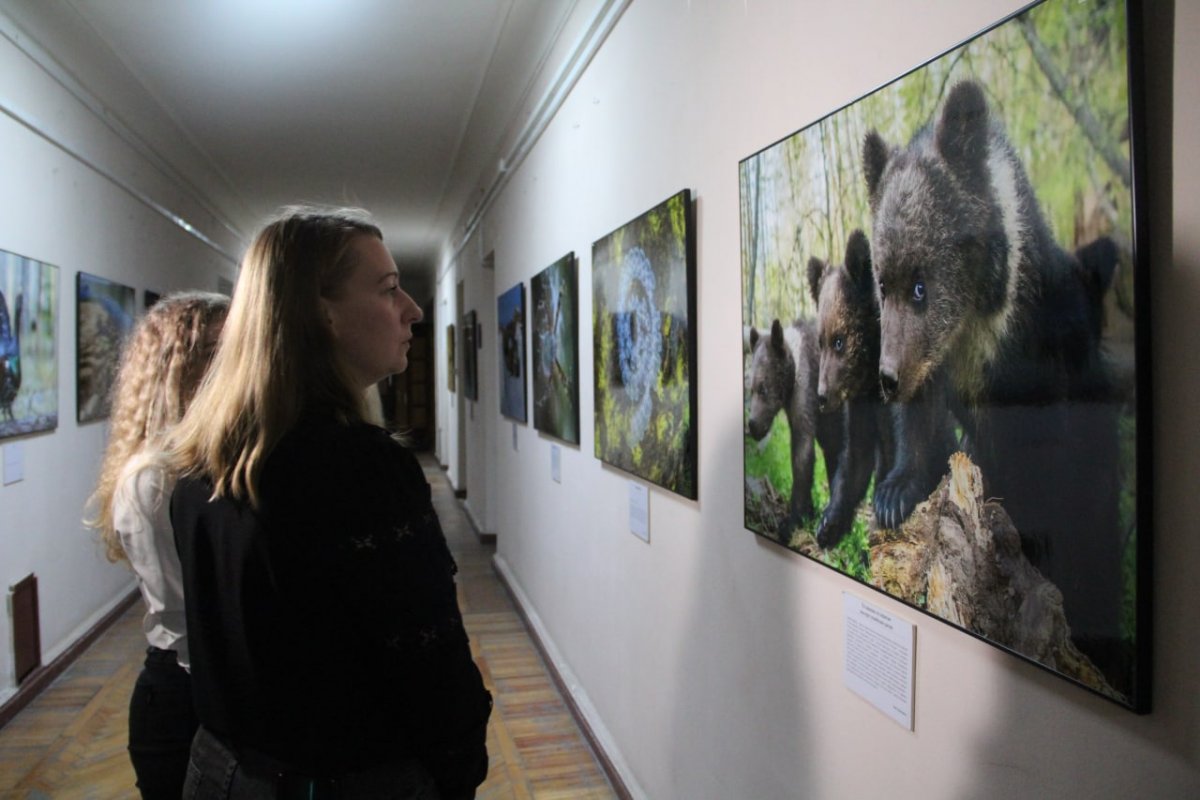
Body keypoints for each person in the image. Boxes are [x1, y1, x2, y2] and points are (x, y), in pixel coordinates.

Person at [168, 207, 492, 799]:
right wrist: (460, 769)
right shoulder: (358, 466)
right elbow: (429, 661)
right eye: (388, 289)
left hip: (220, 772)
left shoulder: (201, 461)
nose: (412, 311)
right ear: (321, 314)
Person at [85, 291, 230, 799]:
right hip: (190, 694)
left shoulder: (216, 458)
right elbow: (190, 617)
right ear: (181, 366)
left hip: (222, 683)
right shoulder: (154, 477)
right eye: (220, 351)